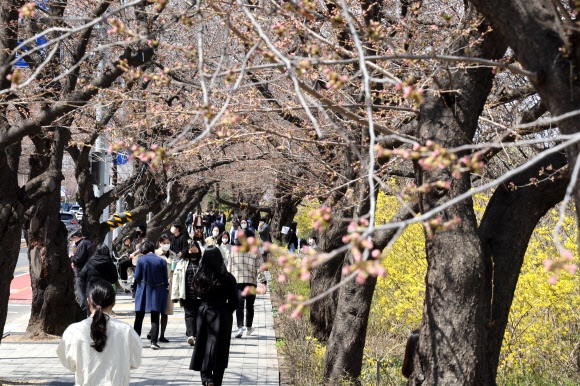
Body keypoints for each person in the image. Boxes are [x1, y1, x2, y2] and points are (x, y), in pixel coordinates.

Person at [57, 280, 142, 386]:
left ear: (88, 301)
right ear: (113, 303)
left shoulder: (74, 331)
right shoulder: (126, 330)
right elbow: (135, 361)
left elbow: (69, 362)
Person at [190, 247, 238, 386]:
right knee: (221, 347)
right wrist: (226, 310)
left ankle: (205, 377)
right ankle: (217, 380)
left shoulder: (200, 276)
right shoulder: (227, 278)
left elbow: (196, 296)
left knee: (203, 344)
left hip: (204, 312)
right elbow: (234, 301)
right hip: (222, 313)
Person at [133, 241, 169, 350]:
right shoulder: (162, 261)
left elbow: (137, 276)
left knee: (139, 316)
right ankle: (154, 342)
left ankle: (135, 340)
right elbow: (165, 279)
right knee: (155, 316)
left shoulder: (141, 260)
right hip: (158, 290)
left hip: (143, 289)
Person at [229, 229, 263, 338]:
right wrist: (263, 282)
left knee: (239, 305)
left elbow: (229, 267)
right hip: (251, 282)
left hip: (236, 282)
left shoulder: (234, 250)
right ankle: (248, 327)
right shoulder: (255, 251)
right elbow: (260, 268)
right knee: (249, 305)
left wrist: (227, 281)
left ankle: (240, 328)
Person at [172, 241, 203, 346]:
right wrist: (174, 295)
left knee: (199, 314)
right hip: (187, 293)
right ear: (187, 251)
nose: (193, 252)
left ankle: (197, 334)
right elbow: (176, 279)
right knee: (189, 314)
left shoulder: (203, 263)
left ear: (199, 251)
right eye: (191, 250)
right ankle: (191, 335)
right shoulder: (182, 263)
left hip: (201, 294)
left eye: (195, 250)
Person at [78, 244, 118, 314]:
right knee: (104, 311)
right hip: (105, 290)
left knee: (91, 311)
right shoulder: (110, 264)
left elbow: (81, 276)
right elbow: (114, 279)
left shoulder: (90, 263)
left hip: (91, 290)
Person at [153, 234, 176, 343]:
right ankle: (153, 333)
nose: (166, 245)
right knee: (156, 311)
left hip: (170, 285)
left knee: (165, 312)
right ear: (159, 243)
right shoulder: (155, 254)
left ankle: (162, 334)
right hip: (158, 285)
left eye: (168, 243)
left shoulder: (173, 255)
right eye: (164, 243)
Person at [69, 230, 94, 312]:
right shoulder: (86, 243)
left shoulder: (83, 244)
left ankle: (83, 311)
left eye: (72, 239)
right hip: (87, 271)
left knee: (82, 294)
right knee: (86, 293)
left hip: (81, 272)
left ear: (76, 237)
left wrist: (71, 258)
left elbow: (78, 258)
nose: (72, 242)